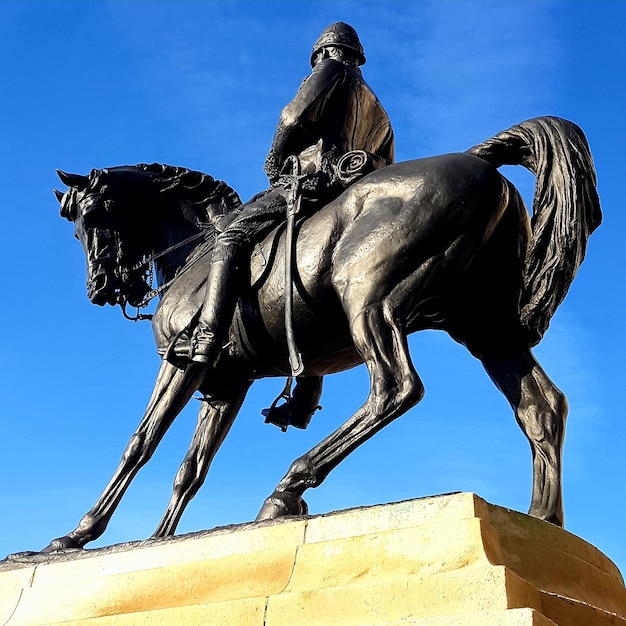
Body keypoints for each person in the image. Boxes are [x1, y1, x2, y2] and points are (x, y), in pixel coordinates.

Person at [190, 22, 395, 427]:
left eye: (320, 56)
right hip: (354, 191)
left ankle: (208, 335)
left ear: (326, 53)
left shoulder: (331, 73)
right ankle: (303, 401)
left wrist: (274, 159)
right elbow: (386, 165)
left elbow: (292, 117)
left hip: (313, 180)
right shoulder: (381, 111)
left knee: (231, 232)